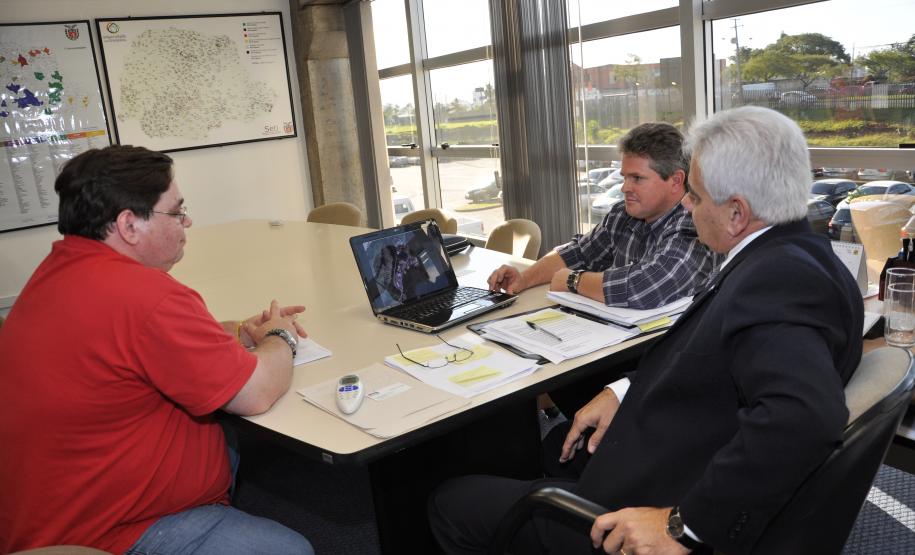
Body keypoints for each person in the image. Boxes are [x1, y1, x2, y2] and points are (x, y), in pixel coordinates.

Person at [428, 106, 864, 554]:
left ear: (737, 213)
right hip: (660, 446)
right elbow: (714, 362)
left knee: (450, 502)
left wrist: (685, 526)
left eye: (694, 195)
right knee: (555, 450)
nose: (688, 206)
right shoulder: (794, 254)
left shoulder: (779, 281)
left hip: (643, 507)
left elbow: (804, 418)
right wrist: (624, 390)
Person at [0, 146, 314, 554]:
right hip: (106, 532)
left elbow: (133, 344)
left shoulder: (59, 271)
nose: (187, 222)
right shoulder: (148, 296)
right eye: (176, 211)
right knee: (290, 550)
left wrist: (237, 332)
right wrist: (280, 337)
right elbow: (255, 392)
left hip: (44, 509)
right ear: (129, 225)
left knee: (227, 440)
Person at [487, 122, 720, 310]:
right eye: (625, 177)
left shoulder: (694, 222)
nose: (625, 188)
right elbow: (577, 253)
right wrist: (523, 279)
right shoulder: (624, 214)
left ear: (676, 181)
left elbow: (644, 287)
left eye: (637, 178)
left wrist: (573, 280)